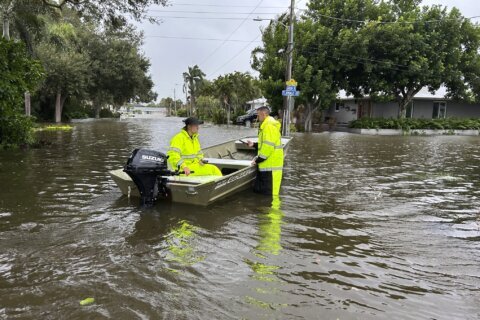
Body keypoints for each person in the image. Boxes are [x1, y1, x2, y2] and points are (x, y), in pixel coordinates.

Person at [248, 106, 284, 195]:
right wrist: (254, 144)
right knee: (260, 193)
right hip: (267, 166)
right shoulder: (266, 125)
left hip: (270, 168)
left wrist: (257, 160)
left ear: (263, 114)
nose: (257, 117)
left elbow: (268, 148)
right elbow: (265, 144)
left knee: (268, 195)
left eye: (258, 115)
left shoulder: (269, 127)